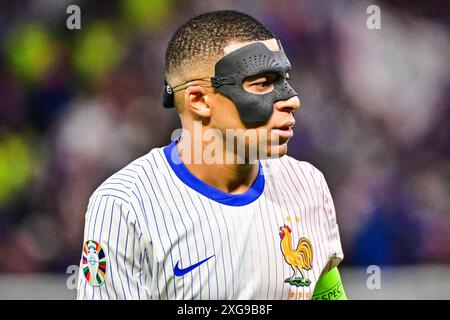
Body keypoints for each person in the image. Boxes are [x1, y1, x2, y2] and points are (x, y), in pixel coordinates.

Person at [77, 10, 346, 300]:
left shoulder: (307, 184)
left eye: (284, 79)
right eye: (262, 84)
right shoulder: (125, 204)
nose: (292, 99)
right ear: (199, 100)